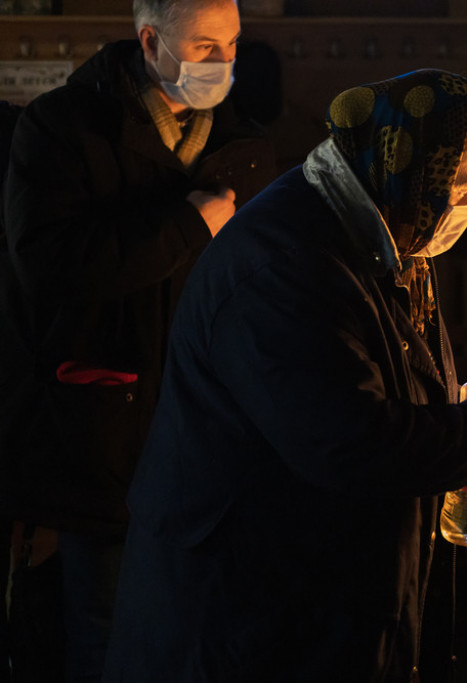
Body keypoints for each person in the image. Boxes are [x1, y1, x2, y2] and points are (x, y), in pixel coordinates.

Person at [102, 69, 467, 681]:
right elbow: (348, 439)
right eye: (459, 185)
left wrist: (461, 426)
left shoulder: (387, 228)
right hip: (239, 613)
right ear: (407, 165)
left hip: (312, 591)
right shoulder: (285, 264)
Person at [0, 0, 276, 678]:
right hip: (102, 429)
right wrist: (184, 226)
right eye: (206, 47)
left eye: (233, 45)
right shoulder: (63, 128)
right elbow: (52, 265)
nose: (224, 63)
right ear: (150, 42)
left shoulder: (241, 141)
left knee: (198, 630)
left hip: (209, 429)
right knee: (107, 628)